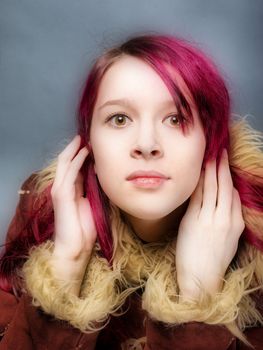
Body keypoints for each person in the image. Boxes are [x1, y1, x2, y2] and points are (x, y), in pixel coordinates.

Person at [0, 33, 262, 350]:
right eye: (119, 118)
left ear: (210, 141)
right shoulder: (43, 214)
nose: (147, 145)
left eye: (176, 118)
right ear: (90, 145)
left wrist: (198, 299)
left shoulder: (256, 253)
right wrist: (64, 270)